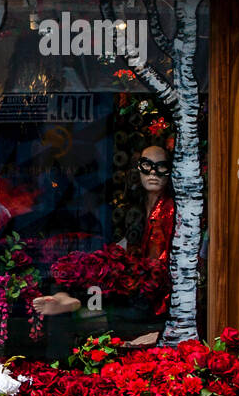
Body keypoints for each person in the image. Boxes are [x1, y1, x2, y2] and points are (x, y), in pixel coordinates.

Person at [33, 141, 175, 345]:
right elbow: (125, 245)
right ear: (138, 168)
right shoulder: (138, 206)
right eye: (147, 165)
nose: (153, 173)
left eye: (161, 167)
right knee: (93, 266)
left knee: (105, 279)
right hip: (135, 278)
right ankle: (67, 297)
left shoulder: (169, 209)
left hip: (153, 288)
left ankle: (74, 301)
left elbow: (159, 261)